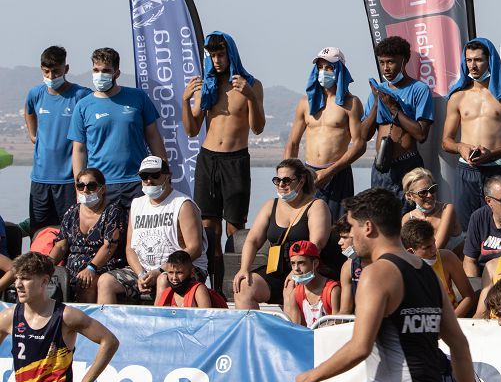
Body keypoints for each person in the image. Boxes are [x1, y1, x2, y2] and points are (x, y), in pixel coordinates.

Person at [294, 189, 483, 382]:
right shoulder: (426, 271)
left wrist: (312, 376)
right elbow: (459, 344)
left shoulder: (376, 274)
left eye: (352, 227)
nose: (350, 235)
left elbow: (360, 346)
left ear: (369, 227)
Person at [182, 31, 265, 294]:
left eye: (221, 54)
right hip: (208, 159)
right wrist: (185, 100)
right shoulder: (207, 85)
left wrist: (251, 97)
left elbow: (258, 127)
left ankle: (235, 288)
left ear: (231, 54)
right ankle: (214, 289)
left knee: (234, 231)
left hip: (236, 161)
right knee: (209, 232)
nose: (217, 60)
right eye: (212, 55)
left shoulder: (250, 84)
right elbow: (192, 130)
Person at [0, 252, 120, 382]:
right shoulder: (9, 317)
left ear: (44, 282)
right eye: (17, 278)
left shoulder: (65, 315)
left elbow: (109, 341)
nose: (18, 285)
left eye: (25, 279)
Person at [443, 38, 501, 234]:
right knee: (467, 231)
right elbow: (446, 141)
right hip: (466, 171)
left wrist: (492, 154)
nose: (472, 66)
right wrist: (461, 147)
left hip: (496, 170)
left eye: (478, 60)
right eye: (468, 60)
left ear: (490, 61)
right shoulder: (458, 96)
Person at [96, 156, 208, 304]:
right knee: (105, 281)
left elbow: (194, 248)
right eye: (144, 176)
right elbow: (130, 249)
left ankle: (157, 325)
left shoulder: (183, 204)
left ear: (168, 176)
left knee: (163, 280)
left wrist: (161, 271)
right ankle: (106, 327)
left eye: (155, 175)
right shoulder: (136, 204)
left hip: (181, 269)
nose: (149, 180)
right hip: (143, 270)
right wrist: (141, 274)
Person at [68, 47, 165, 209]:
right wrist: (80, 187)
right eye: (96, 70)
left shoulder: (138, 97)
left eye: (106, 71)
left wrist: (164, 172)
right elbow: (79, 150)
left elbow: (153, 136)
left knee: (138, 234)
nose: (100, 75)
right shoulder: (83, 106)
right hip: (100, 185)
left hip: (137, 182)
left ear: (117, 73)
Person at [233, 159, 332, 309]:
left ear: (301, 180)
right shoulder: (270, 205)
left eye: (286, 180)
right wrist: (244, 269)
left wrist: (296, 271)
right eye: (277, 180)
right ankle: (253, 332)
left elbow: (316, 244)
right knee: (243, 288)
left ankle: (291, 331)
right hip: (276, 269)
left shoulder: (316, 206)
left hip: (305, 268)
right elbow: (252, 240)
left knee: (291, 290)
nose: (281, 185)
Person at [284, 47, 365, 222]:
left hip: (337, 174)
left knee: (337, 226)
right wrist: (287, 177)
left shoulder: (351, 103)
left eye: (328, 68)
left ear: (339, 70)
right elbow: (292, 143)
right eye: (320, 67)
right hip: (308, 173)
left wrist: (329, 172)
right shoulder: (305, 103)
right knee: (304, 224)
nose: (323, 72)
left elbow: (359, 144)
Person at [24, 46, 90, 231]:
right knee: (39, 232)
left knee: (71, 231)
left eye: (56, 71)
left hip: (69, 180)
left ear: (66, 69)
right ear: (41, 70)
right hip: (40, 179)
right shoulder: (35, 93)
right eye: (47, 71)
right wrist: (32, 134)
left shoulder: (81, 95)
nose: (51, 76)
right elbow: (29, 111)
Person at [359, 37, 434, 201]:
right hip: (381, 166)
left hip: (408, 166)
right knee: (381, 219)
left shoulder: (419, 90)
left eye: (391, 62)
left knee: (408, 217)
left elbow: (421, 135)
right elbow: (363, 135)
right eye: (382, 62)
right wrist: (377, 103)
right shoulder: (378, 91)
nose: (386, 68)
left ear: (404, 60)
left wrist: (394, 109)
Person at [49, 168, 128, 303]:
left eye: (91, 186)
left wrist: (91, 268)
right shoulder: (72, 212)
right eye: (81, 186)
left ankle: (84, 322)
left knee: (85, 281)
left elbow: (109, 246)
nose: (85, 190)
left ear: (102, 189)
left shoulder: (113, 211)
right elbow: (61, 245)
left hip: (101, 268)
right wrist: (47, 264)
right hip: (71, 271)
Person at [401, 220, 476, 317]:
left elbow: (469, 297)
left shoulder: (447, 258)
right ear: (411, 252)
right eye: (427, 247)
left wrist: (449, 324)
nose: (434, 250)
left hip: (450, 318)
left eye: (434, 243)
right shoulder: (400, 270)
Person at [463, 175, 501, 277]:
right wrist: (475, 288)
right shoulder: (478, 217)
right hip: (485, 277)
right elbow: (470, 260)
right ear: (489, 201)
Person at [401, 168, 461, 253]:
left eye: (432, 189)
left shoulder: (447, 209)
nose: (429, 195)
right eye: (423, 192)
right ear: (410, 196)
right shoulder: (407, 219)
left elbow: (435, 249)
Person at [283, 240, 340, 328]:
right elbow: (296, 329)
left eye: (301, 263)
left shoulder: (332, 290)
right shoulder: (295, 294)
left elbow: (339, 327)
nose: (296, 269)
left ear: (315, 263)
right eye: (293, 263)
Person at [155, 249, 222, 309]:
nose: (174, 278)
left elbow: (206, 317)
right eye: (170, 273)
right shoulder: (167, 292)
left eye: (179, 273)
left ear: (192, 272)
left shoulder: (199, 290)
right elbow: (156, 317)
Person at [337, 218, 362, 314]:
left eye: (345, 237)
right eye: (340, 237)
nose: (340, 242)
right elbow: (345, 311)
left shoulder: (382, 262)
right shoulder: (347, 266)